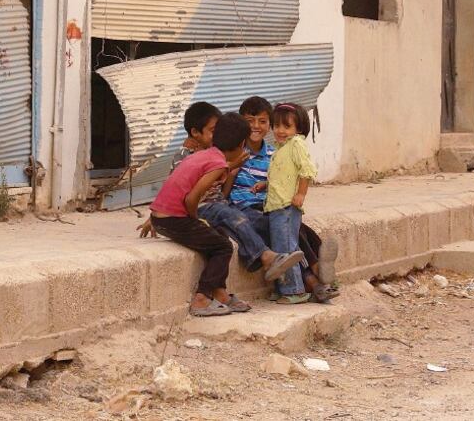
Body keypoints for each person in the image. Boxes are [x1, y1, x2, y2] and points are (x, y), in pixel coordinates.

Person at [139, 104, 304, 295]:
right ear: (242, 143)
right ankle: (265, 258)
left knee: (244, 224)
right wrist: (193, 220)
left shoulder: (212, 156)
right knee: (234, 223)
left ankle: (304, 272)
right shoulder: (209, 160)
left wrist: (232, 170)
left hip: (209, 206)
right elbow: (190, 196)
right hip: (198, 209)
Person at [231, 96, 339, 302]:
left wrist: (297, 193)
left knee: (292, 230)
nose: (256, 126)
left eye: (262, 121)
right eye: (249, 121)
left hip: (272, 205)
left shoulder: (277, 151)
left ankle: (312, 280)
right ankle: (316, 277)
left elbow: (295, 174)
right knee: (285, 232)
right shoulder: (234, 151)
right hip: (251, 208)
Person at [263, 103, 319, 305]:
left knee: (286, 249)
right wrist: (265, 184)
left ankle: (294, 290)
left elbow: (306, 171)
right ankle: (284, 287)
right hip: (276, 207)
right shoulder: (280, 149)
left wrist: (301, 194)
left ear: (298, 129)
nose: (280, 131)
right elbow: (282, 175)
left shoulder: (296, 144)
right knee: (282, 249)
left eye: (286, 127)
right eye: (276, 125)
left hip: (287, 207)